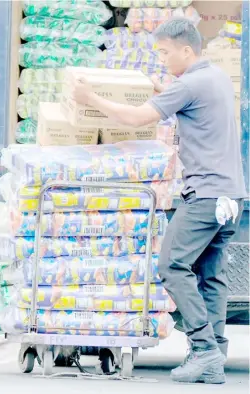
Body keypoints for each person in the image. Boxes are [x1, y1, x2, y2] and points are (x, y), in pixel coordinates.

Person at [72, 17, 246, 384]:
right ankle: (213, 352)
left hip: (205, 194)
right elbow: (180, 95)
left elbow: (137, 119)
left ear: (187, 49)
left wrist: (91, 99)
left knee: (172, 266)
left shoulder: (190, 84)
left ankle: (203, 350)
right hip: (232, 196)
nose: (163, 59)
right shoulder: (213, 77)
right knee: (210, 276)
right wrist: (160, 86)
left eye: (166, 53)